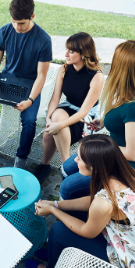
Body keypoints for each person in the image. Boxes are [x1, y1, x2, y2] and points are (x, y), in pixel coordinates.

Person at [26, 134, 135, 268]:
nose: (75, 160)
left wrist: (54, 211)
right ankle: (56, 251)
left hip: (131, 266)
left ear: (95, 167)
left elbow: (87, 231)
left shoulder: (105, 202)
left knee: (58, 231)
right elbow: (92, 201)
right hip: (134, 243)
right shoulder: (122, 176)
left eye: (79, 158)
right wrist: (55, 204)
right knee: (70, 213)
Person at [58, 40, 135, 201]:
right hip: (113, 154)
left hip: (129, 168)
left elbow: (133, 153)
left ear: (123, 69)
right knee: (67, 168)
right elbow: (119, 117)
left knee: (67, 187)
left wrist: (95, 150)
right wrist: (101, 122)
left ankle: (87, 211)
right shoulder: (123, 93)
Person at [0, 0, 52, 169]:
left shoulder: (43, 40)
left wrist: (30, 100)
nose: (17, 26)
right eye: (14, 21)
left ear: (32, 17)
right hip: (6, 79)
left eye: (21, 23)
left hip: (30, 85)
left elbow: (41, 75)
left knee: (30, 122)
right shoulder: (3, 31)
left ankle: (21, 157)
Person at [33, 32, 104, 182]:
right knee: (51, 127)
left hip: (86, 117)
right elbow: (55, 98)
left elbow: (84, 111)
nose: (66, 54)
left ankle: (66, 168)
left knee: (51, 131)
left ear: (84, 53)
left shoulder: (96, 76)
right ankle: (48, 165)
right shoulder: (64, 69)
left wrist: (57, 125)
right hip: (69, 107)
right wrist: (49, 118)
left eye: (71, 52)